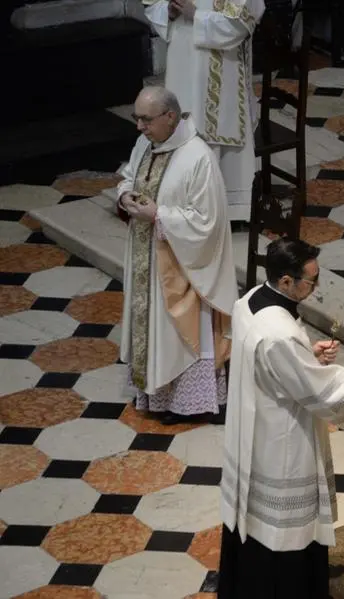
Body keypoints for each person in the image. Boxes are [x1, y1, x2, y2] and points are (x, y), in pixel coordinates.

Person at [218, 237, 344, 598]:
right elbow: (326, 394)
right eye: (310, 281)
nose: (315, 287)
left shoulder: (248, 302)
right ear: (285, 282)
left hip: (254, 428)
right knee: (284, 532)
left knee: (255, 524)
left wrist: (305, 354)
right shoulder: (278, 334)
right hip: (282, 438)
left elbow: (266, 360)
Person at [117, 86, 238, 425]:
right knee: (151, 330)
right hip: (146, 256)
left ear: (170, 116)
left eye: (146, 119)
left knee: (176, 334)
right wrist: (125, 195)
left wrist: (159, 215)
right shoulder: (146, 143)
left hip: (181, 264)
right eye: (136, 118)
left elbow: (207, 222)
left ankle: (186, 401)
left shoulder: (198, 157)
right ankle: (155, 396)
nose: (140, 127)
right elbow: (129, 176)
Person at [144, 0, 264, 222]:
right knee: (181, 123)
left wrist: (197, 16)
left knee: (217, 127)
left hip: (223, 62)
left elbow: (245, 18)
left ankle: (229, 208)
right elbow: (153, 5)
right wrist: (168, 11)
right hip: (183, 58)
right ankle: (180, 204)